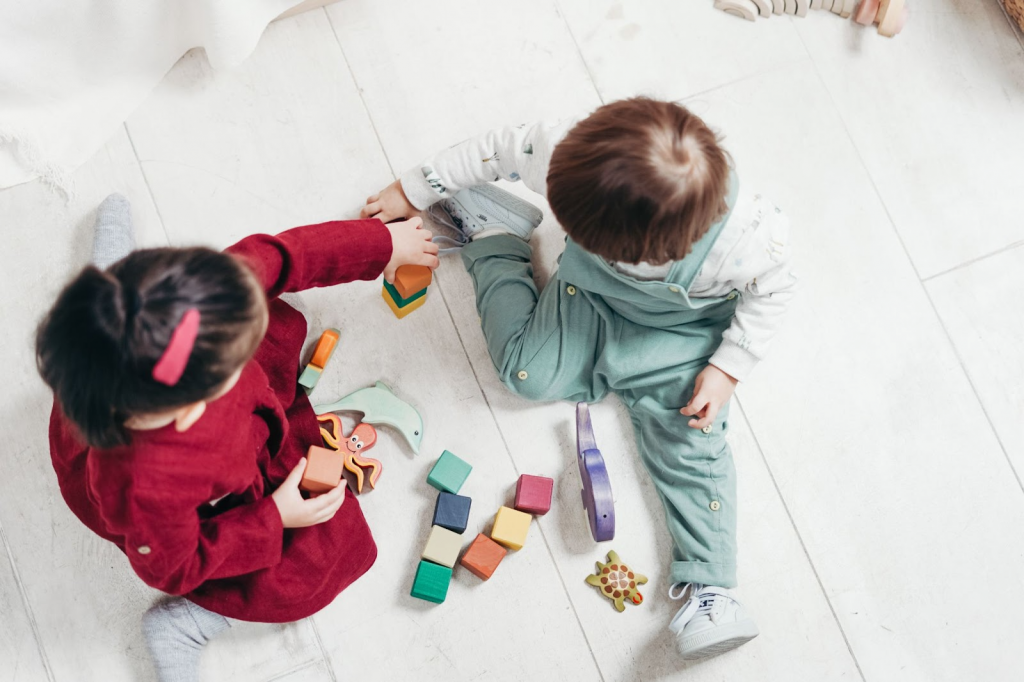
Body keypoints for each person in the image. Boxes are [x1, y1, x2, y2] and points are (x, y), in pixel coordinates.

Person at [361, 97, 798, 661]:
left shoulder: (745, 236)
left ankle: (711, 587)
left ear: (671, 245)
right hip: (589, 296)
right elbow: (495, 148)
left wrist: (726, 369)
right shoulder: (569, 146)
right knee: (524, 373)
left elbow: (777, 290)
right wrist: (415, 189)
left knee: (690, 437)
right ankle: (496, 231)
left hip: (679, 335)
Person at [36, 194, 439, 681]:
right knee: (311, 567)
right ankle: (189, 624)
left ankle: (107, 278)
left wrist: (383, 244)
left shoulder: (204, 300)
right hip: (215, 495)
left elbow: (286, 254)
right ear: (186, 414)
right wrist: (272, 518)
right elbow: (172, 567)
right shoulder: (147, 488)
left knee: (276, 316)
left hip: (165, 382)